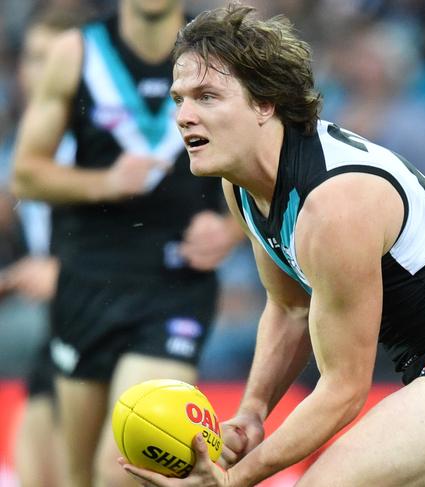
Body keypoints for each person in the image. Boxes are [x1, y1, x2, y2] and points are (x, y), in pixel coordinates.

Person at [122, 4, 425, 487]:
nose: (184, 116)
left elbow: (343, 391)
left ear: (264, 103)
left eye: (207, 96)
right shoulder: (242, 182)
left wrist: (234, 479)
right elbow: (290, 306)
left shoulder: (334, 203)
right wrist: (253, 412)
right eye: (179, 98)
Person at [10, 1, 243, 486]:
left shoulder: (220, 51)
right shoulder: (77, 51)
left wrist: (231, 230)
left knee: (122, 470)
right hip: (86, 284)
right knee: (78, 477)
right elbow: (26, 173)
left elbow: (270, 151)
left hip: (175, 284)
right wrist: (105, 183)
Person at [0, 7, 89, 487]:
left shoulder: (107, 143)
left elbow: (156, 241)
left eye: (52, 58)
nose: (39, 73)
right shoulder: (23, 142)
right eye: (31, 58)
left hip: (112, 328)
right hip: (55, 330)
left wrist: (66, 271)